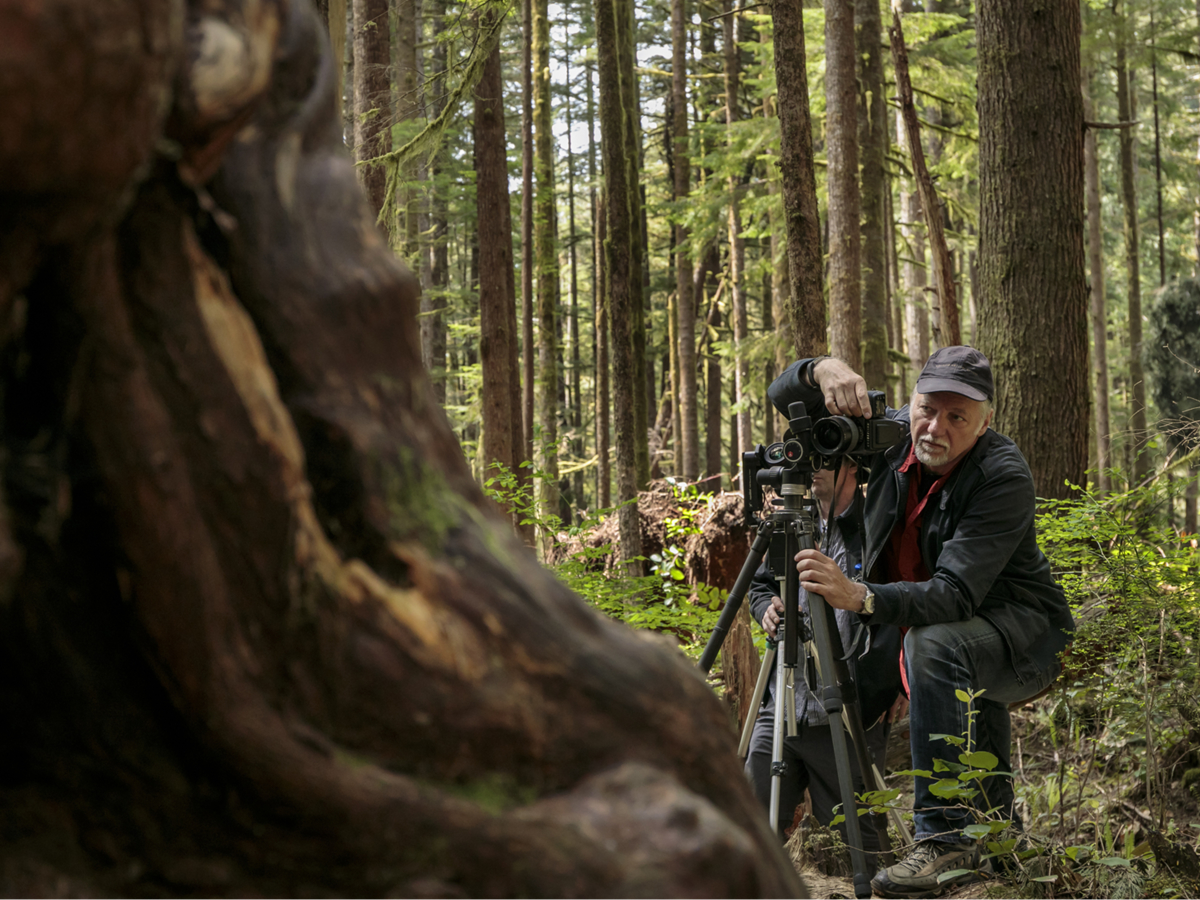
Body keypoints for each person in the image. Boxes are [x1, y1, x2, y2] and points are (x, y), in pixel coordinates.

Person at [769, 346, 1075, 899]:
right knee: (941, 655)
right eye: (927, 408)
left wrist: (858, 596)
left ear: (985, 424)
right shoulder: (892, 445)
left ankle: (943, 837)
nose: (935, 427)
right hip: (944, 631)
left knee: (938, 645)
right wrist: (820, 369)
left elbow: (954, 595)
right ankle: (999, 841)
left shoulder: (1001, 475)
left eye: (957, 417)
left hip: (1024, 638)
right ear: (910, 402)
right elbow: (785, 403)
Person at [743, 455, 906, 857]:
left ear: (853, 465)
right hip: (781, 703)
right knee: (748, 828)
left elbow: (904, 602)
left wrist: (901, 679)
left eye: (826, 458)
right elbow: (759, 586)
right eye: (808, 458)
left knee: (862, 845)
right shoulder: (789, 521)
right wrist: (765, 608)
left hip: (850, 708)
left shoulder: (878, 525)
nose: (813, 467)